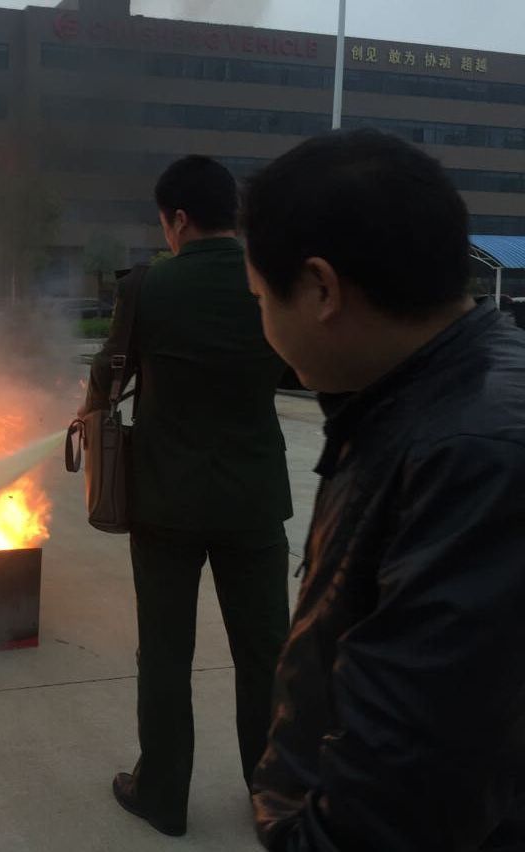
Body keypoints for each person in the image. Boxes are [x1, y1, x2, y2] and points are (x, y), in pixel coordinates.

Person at [242, 129, 525, 850]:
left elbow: (404, 795)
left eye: (261, 298)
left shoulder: (470, 456)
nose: (263, 323)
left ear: (321, 289)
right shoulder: (415, 397)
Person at [81, 155, 293, 837]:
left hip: (165, 502)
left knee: (166, 653)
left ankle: (163, 793)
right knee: (265, 652)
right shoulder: (270, 282)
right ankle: (275, 797)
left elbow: (108, 376)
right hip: (254, 499)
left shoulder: (148, 287)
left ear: (177, 219)